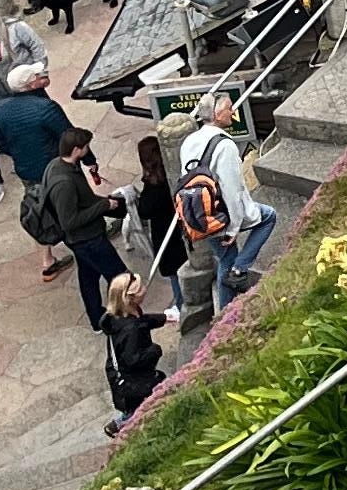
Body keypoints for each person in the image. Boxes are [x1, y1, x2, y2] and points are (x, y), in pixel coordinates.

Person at [175, 87, 276, 293]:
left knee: (225, 259)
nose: (233, 112)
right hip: (221, 213)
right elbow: (233, 190)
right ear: (217, 114)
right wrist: (233, 228)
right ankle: (239, 272)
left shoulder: (189, 141)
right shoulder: (225, 146)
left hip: (199, 213)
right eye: (229, 109)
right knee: (268, 217)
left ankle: (225, 313)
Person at [38, 132, 124, 333]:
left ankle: (97, 320)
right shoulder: (64, 183)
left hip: (84, 239)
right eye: (86, 147)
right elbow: (69, 221)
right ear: (77, 150)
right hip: (87, 239)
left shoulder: (57, 165)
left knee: (88, 276)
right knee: (121, 278)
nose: (88, 150)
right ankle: (127, 319)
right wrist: (103, 205)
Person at [0, 58, 74, 217]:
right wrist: (89, 161)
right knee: (70, 202)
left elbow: (3, 144)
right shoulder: (46, 108)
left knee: (44, 206)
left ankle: (52, 228)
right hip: (56, 168)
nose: (39, 76)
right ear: (30, 85)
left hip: (26, 171)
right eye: (35, 76)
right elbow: (69, 136)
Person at [120, 133, 182, 328]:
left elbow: (145, 211)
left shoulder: (154, 185)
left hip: (166, 233)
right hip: (179, 227)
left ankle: (180, 304)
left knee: (174, 271)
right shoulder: (172, 171)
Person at [101, 275, 166, 431]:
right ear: (131, 298)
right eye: (140, 289)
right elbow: (133, 359)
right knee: (141, 409)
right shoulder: (131, 330)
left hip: (124, 378)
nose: (144, 289)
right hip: (133, 382)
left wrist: (162, 319)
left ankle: (121, 422)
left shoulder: (119, 316)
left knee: (136, 408)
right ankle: (120, 426)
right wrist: (155, 350)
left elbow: (142, 321)